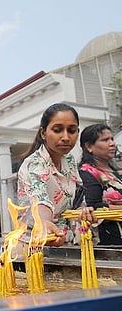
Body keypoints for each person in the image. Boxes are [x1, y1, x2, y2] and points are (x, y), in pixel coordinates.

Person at [17, 103, 96, 246]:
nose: (65, 137)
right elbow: (40, 201)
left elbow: (75, 201)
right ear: (43, 133)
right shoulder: (34, 164)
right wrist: (44, 223)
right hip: (33, 245)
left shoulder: (70, 161)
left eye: (72, 131)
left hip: (63, 243)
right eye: (58, 130)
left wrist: (83, 212)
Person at [79, 123, 122, 245]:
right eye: (105, 140)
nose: (112, 144)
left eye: (112, 139)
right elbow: (94, 207)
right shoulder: (87, 173)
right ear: (89, 146)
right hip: (108, 241)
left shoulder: (115, 173)